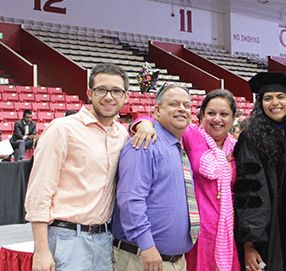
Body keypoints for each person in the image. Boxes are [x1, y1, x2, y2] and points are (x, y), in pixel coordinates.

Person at [24, 64, 131, 271]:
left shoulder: (122, 135)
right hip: (66, 239)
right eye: (102, 89)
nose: (109, 97)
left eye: (116, 91)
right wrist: (41, 250)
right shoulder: (62, 129)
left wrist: (144, 123)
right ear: (90, 93)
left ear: (125, 96)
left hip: (105, 240)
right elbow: (39, 192)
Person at [132, 89, 241, 271]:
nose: (217, 119)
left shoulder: (237, 148)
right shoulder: (191, 135)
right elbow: (156, 122)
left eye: (224, 114)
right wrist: (143, 124)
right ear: (201, 115)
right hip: (197, 234)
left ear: (233, 118)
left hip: (227, 233)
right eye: (211, 113)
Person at [234, 72, 286, 271]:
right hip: (269, 237)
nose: (274, 103)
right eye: (268, 98)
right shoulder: (251, 139)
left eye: (281, 97)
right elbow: (249, 193)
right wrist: (250, 244)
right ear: (260, 104)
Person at [112, 84, 197, 271]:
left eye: (187, 105)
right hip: (143, 258)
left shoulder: (178, 146)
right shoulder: (146, 142)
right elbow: (130, 199)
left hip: (174, 261)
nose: (182, 109)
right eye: (174, 104)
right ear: (157, 111)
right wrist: (147, 245)